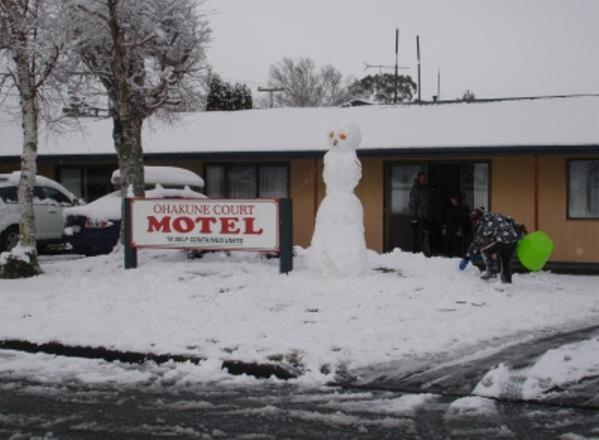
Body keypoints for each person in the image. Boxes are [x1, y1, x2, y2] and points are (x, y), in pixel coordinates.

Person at [459, 210, 525, 283]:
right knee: (505, 262)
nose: (474, 223)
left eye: (474, 221)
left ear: (477, 219)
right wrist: (518, 233)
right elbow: (510, 220)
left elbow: (477, 243)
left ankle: (492, 272)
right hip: (513, 240)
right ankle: (507, 282)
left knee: (485, 251)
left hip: (503, 240)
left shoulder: (484, 224)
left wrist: (467, 257)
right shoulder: (495, 215)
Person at [408, 172, 432, 254]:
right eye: (421, 178)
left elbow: (428, 203)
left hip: (426, 216)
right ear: (418, 179)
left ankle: (421, 254)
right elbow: (412, 203)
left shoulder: (426, 188)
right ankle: (416, 254)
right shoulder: (416, 189)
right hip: (418, 216)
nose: (423, 180)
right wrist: (413, 217)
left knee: (424, 236)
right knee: (418, 236)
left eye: (424, 178)